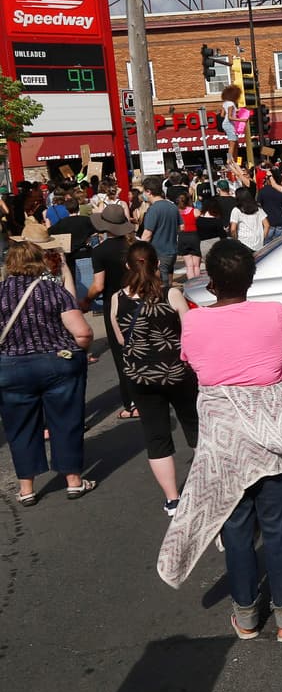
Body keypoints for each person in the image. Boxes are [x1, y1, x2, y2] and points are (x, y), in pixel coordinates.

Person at [158, 239, 282, 641]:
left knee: (236, 528)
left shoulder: (194, 322)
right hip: (270, 436)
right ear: (251, 276)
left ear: (211, 281)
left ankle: (245, 617)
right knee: (278, 528)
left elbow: (194, 364)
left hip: (223, 443)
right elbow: (281, 357)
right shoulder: (275, 313)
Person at [1, 230, 96, 506]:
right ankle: (73, 480)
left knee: (19, 427)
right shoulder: (52, 291)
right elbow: (83, 334)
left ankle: (26, 487)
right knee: (66, 421)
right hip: (57, 362)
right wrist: (80, 352)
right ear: (38, 262)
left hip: (11, 366)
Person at [111, 241, 199, 515]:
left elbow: (122, 340)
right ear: (157, 264)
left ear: (127, 266)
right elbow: (190, 335)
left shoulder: (117, 299)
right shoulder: (171, 294)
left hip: (141, 377)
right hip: (177, 372)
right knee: (195, 428)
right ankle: (205, 484)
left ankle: (172, 498)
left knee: (156, 436)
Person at [85, 204, 140, 419]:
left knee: (121, 354)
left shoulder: (100, 251)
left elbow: (98, 285)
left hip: (115, 304)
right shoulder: (136, 246)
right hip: (140, 300)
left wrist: (86, 300)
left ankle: (132, 403)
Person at [139, 176, 180, 288]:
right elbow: (180, 227)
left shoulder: (153, 210)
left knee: (161, 284)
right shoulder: (172, 206)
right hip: (172, 251)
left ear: (149, 192)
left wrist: (139, 250)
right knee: (169, 283)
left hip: (158, 253)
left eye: (144, 192)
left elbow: (147, 234)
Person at [229, 187, 269, 252]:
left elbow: (233, 229)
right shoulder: (257, 208)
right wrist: (262, 238)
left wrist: (235, 241)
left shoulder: (236, 210)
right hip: (258, 244)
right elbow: (267, 225)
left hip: (243, 243)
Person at [176, 192, 201, 280]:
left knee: (189, 266)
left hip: (183, 237)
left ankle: (191, 283)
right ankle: (197, 283)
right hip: (194, 236)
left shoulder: (177, 213)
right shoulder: (195, 211)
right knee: (196, 265)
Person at [220, 84, 243, 164]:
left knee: (235, 143)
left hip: (226, 124)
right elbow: (230, 117)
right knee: (232, 144)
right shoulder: (231, 104)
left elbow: (222, 115)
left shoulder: (225, 103)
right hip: (229, 124)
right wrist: (242, 119)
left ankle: (234, 159)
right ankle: (229, 160)